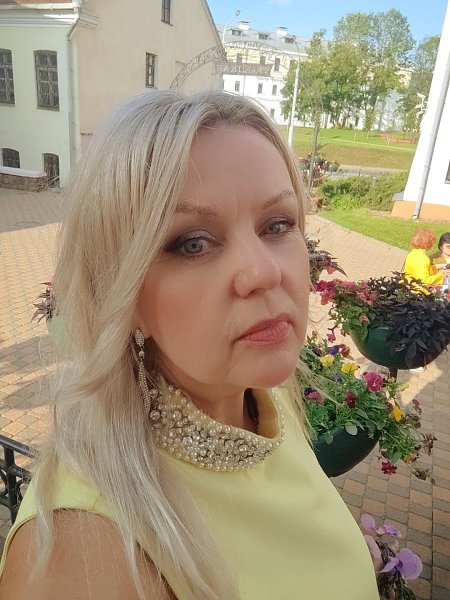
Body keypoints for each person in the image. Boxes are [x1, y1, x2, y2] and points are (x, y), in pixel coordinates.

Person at [0, 90, 378, 600]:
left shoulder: (263, 403)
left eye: (278, 225)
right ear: (121, 293)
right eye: (193, 243)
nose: (263, 272)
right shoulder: (84, 554)